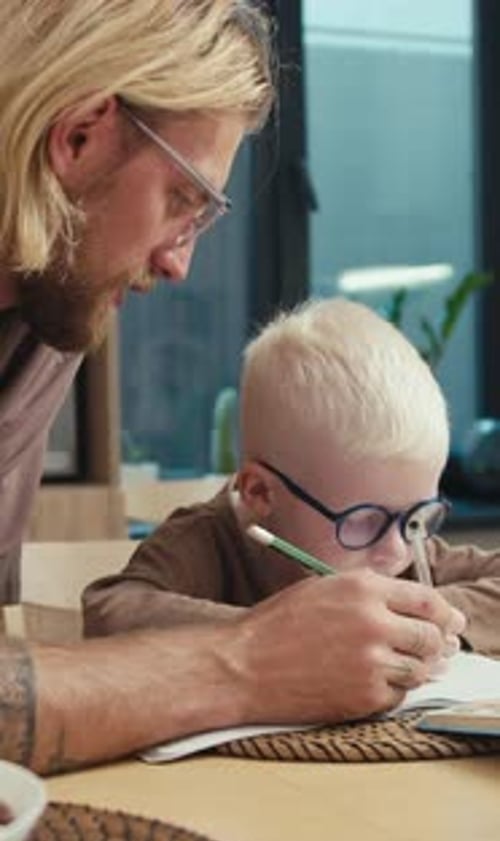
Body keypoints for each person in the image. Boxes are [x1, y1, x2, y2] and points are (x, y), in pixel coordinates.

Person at [0, 2, 463, 777]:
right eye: (183, 203)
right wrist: (248, 663)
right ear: (80, 136)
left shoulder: (53, 310)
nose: (179, 264)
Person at [84, 297, 500, 662]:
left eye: (418, 516)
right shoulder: (208, 539)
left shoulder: (406, 547)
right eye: (363, 520)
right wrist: (273, 632)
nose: (395, 552)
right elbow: (109, 610)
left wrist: (422, 618)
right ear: (261, 492)